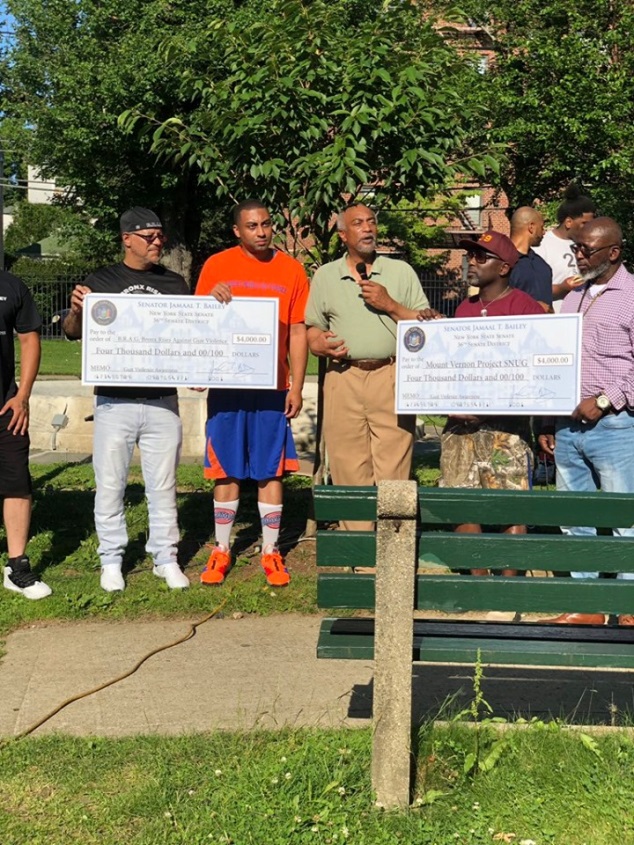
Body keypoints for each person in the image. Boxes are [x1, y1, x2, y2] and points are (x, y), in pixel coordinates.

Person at [62, 207, 190, 592]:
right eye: (149, 236)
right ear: (127, 239)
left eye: (160, 236)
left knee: (164, 484)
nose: (157, 243)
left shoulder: (175, 283)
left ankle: (166, 558)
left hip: (162, 399)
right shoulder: (101, 281)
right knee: (111, 483)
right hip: (114, 401)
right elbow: (72, 333)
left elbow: (191, 336)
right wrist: (75, 310)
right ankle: (111, 559)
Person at [195, 199, 309, 587]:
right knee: (224, 466)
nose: (261, 232)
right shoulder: (216, 266)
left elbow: (297, 330)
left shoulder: (291, 269)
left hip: (271, 388)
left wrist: (296, 383)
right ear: (237, 231)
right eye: (252, 226)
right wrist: (212, 304)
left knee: (270, 468)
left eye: (266, 224)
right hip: (227, 387)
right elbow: (200, 322)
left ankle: (271, 550)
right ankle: (222, 548)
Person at [305, 202, 437, 531]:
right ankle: (362, 558)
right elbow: (312, 328)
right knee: (349, 467)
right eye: (358, 223)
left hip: (390, 375)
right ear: (342, 234)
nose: (367, 229)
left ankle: (394, 553)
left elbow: (426, 326)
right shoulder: (325, 276)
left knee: (394, 468)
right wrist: (317, 343)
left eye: (371, 222)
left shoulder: (400, 272)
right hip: (342, 378)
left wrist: (389, 304)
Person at [538, 217, 634, 626]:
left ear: (613, 252)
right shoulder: (574, 296)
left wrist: (604, 399)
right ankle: (588, 605)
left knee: (623, 522)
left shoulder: (631, 295)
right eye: (575, 248)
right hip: (567, 426)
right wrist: (547, 418)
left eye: (586, 249)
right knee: (574, 519)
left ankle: (629, 606)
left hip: (615, 426)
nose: (577, 255)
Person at [441, 232, 544, 578]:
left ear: (503, 267)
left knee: (510, 504)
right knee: (461, 502)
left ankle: (508, 590)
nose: (471, 262)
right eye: (470, 255)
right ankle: (478, 585)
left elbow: (534, 373)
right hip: (461, 428)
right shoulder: (463, 309)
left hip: (506, 428)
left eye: (480, 257)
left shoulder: (526, 308)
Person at [1, 271, 51, 599]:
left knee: (17, 481)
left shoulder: (12, 286)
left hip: (6, 406)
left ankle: (17, 567)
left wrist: (23, 396)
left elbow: (30, 339)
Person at [533, 183, 596, 310]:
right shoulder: (542, 246)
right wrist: (562, 288)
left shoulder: (588, 245)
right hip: (556, 318)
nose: (589, 228)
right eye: (584, 223)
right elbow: (533, 290)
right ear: (568, 222)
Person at [508, 206, 553, 311]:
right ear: (531, 227)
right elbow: (494, 302)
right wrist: (533, 306)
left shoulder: (543, 265)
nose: (544, 232)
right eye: (542, 227)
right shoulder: (502, 263)